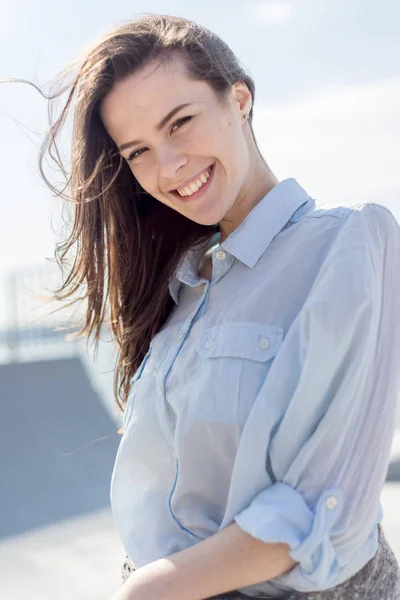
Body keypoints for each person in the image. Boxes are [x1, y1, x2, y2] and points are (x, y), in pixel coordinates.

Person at [37, 13, 400, 600]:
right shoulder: (178, 290)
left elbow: (321, 511)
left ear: (239, 99)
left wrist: (147, 591)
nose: (169, 166)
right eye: (138, 152)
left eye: (180, 123)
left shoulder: (349, 242)